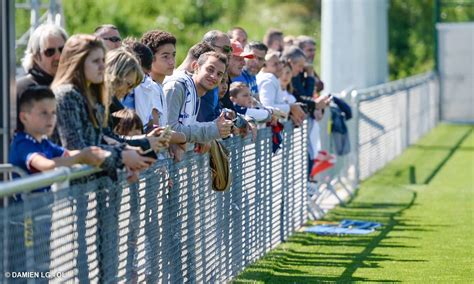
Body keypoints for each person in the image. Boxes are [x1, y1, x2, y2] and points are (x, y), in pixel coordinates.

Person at [51, 34, 155, 179]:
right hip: (66, 189)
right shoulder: (66, 95)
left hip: (84, 187)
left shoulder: (93, 96)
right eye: (95, 61)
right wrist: (122, 158)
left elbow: (103, 140)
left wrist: (131, 158)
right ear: (77, 62)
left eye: (103, 60)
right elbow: (76, 148)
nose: (102, 66)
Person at [10, 86, 107, 180]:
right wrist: (81, 157)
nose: (51, 118)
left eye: (54, 112)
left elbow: (68, 154)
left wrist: (93, 153)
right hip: (28, 197)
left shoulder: (43, 142)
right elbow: (46, 165)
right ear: (24, 118)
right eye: (44, 113)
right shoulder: (22, 143)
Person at [163, 51, 233, 143]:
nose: (214, 76)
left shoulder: (195, 92)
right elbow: (169, 130)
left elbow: (189, 126)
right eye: (210, 69)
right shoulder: (176, 87)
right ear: (196, 67)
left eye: (219, 74)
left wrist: (216, 125)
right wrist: (213, 130)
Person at [16, 23, 68, 124]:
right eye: (50, 52)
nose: (58, 56)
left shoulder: (72, 85)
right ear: (36, 57)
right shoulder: (24, 89)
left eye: (62, 50)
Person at [256, 51, 305, 125]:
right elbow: (267, 107)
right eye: (275, 64)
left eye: (279, 63)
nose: (280, 67)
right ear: (264, 65)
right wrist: (290, 108)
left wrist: (289, 114)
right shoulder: (268, 79)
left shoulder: (270, 78)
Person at [198, 30, 232, 122]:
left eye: (230, 50)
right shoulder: (202, 78)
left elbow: (215, 113)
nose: (229, 53)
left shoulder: (215, 77)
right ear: (209, 47)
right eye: (226, 49)